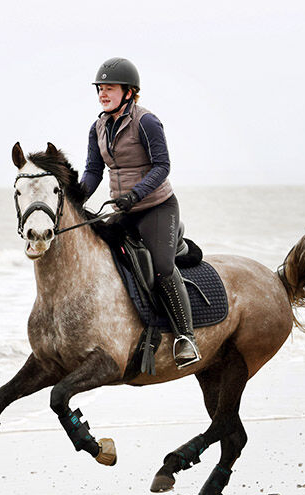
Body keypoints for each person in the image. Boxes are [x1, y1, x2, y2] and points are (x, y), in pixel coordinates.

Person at [79, 57, 200, 369]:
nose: (103, 94)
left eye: (109, 88)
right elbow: (93, 171)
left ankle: (186, 337)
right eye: (100, 89)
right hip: (124, 209)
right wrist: (75, 198)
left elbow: (163, 166)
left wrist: (136, 193)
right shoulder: (98, 127)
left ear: (129, 92)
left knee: (160, 266)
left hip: (156, 207)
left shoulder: (146, 122)